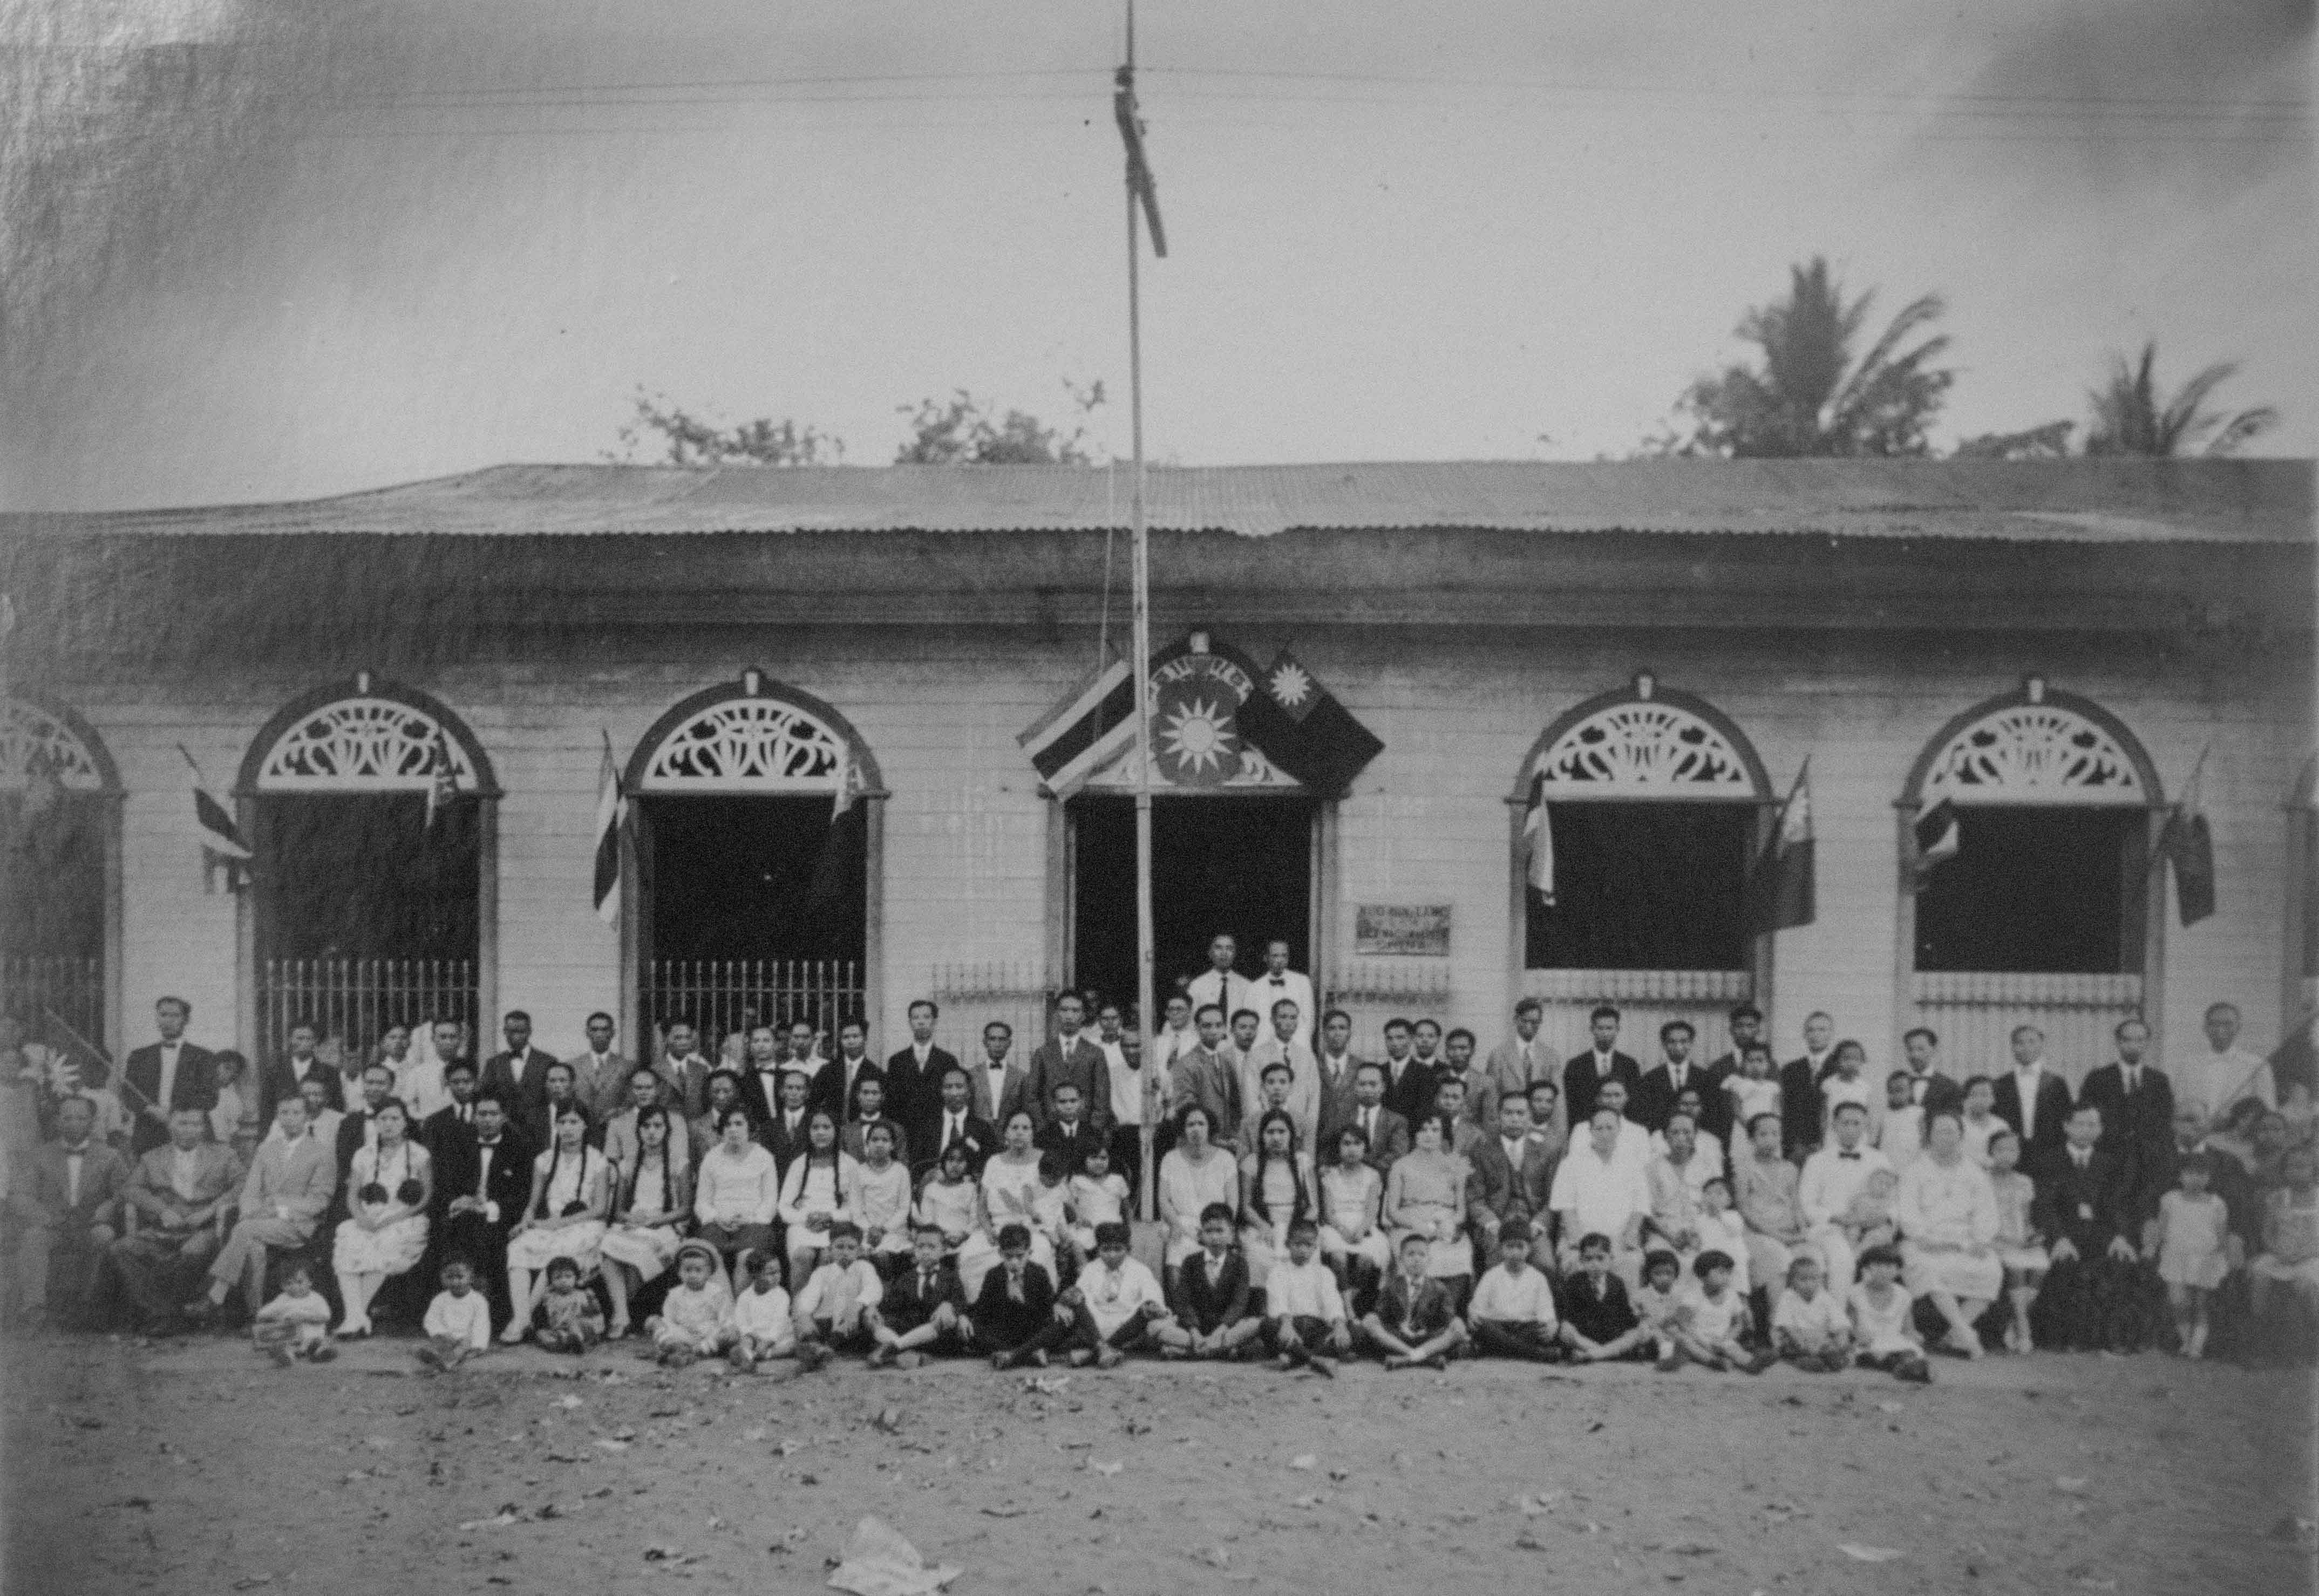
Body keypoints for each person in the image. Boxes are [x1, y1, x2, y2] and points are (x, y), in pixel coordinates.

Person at [188, 1092, 335, 1322]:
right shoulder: (266, 1150)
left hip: (297, 1224)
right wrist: (251, 1212)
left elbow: (320, 1200)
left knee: (245, 1230)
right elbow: (250, 1191)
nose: (290, 1118)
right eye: (284, 1113)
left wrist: (279, 1209)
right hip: (259, 1222)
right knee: (253, 1247)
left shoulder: (322, 1153)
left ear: (307, 1117)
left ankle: (215, 1295)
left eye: (296, 1113)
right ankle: (256, 1314)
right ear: (277, 1117)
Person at [108, 1104, 242, 1333]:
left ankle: (173, 1315)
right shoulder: (152, 1158)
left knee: (193, 1253)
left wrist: (210, 1211)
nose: (190, 1130)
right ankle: (160, 1313)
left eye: (196, 1124)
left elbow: (243, 1184)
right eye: (183, 1124)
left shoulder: (224, 1155)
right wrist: (161, 1210)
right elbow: (130, 1189)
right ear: (171, 1125)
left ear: (204, 1128)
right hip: (163, 1228)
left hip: (204, 1229)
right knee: (121, 1249)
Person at [5, 1094, 132, 1328]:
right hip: (53, 1226)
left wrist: (110, 1207)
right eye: (68, 1117)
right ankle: (34, 1310)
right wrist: (44, 1216)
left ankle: (90, 1307)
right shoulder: (39, 1155)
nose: (74, 1123)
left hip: (91, 1223)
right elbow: (20, 1195)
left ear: (93, 1121)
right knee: (33, 1238)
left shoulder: (110, 1156)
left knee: (105, 1236)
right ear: (57, 1121)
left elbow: (125, 1192)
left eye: (81, 1118)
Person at [2030, 1102, 2140, 1353]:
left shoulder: (2109, 1163)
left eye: (2093, 1125)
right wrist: (2058, 1238)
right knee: (2065, 1263)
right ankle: (2067, 1338)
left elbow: (2117, 1205)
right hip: (2062, 1231)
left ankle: (2110, 1337)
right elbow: (2044, 1206)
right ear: (2066, 1127)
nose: (2086, 1130)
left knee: (2119, 1260)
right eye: (2080, 1124)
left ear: (2101, 1130)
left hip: (2100, 1231)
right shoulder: (2049, 1160)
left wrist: (2120, 1236)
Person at [1897, 1108, 2002, 1358]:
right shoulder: (1914, 1170)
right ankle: (1967, 1336)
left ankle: (1955, 1334)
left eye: (1952, 1131)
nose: (1946, 1137)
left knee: (1991, 1269)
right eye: (1940, 1131)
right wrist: (1924, 1239)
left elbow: (1986, 1210)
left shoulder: (1974, 1171)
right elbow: (1907, 1209)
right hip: (1925, 1240)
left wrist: (1980, 1240)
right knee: (1928, 1268)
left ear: (1961, 1135)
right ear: (1930, 1136)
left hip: (1966, 1240)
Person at [502, 1102, 610, 1342]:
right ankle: (522, 1316)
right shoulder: (545, 1159)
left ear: (584, 1126)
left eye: (574, 1122)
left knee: (558, 1252)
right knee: (518, 1247)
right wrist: (526, 1219)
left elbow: (600, 1209)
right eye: (562, 1122)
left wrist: (558, 1224)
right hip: (551, 1222)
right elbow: (533, 1202)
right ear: (556, 1126)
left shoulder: (597, 1159)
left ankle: (522, 1321)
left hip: (586, 1224)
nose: (568, 1128)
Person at [330, 1097, 433, 1338]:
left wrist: (395, 1218)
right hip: (370, 1215)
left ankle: (353, 1318)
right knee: (350, 1240)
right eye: (383, 1119)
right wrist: (360, 1217)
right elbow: (353, 1195)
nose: (389, 1124)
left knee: (386, 1244)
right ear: (375, 1123)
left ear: (405, 1122)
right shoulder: (364, 1154)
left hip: (405, 1217)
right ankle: (357, 1318)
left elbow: (425, 1197)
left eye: (395, 1118)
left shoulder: (419, 1154)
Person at [432, 1092, 529, 1332]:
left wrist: (486, 1207)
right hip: (463, 1215)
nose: (487, 1119)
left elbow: (522, 1193)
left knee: (478, 1232)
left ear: (504, 1117)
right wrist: (457, 1202)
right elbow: (444, 1183)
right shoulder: (460, 1144)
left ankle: (487, 1312)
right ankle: (454, 1312)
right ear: (473, 1117)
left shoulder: (519, 1146)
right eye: (482, 1114)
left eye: (493, 1114)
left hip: (500, 1217)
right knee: (459, 1227)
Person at [599, 1104, 691, 1339]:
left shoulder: (679, 1163)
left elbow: (685, 1208)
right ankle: (622, 1315)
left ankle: (620, 1312)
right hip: (633, 1223)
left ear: (667, 1131)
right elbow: (618, 1212)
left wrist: (657, 1219)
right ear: (639, 1131)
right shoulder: (628, 1164)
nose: (652, 1132)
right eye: (646, 1126)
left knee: (641, 1252)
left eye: (658, 1126)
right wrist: (635, 1219)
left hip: (665, 1227)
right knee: (608, 1247)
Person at [2079, 1017, 2176, 1220]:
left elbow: (2165, 1123)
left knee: (2145, 1214)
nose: (2134, 1046)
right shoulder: (2098, 1079)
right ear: (2117, 1042)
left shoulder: (2159, 1081)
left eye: (2140, 1040)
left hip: (2148, 1163)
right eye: (2127, 1040)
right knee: (2109, 1213)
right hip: (2109, 1159)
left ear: (2148, 1043)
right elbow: (2086, 1120)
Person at [957, 1111, 1057, 1299]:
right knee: (970, 1253)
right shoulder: (994, 1162)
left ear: (1033, 1133)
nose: (1020, 1132)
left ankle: (1031, 1308)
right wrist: (988, 1231)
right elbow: (981, 1209)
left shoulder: (1044, 1160)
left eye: (1026, 1128)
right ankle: (979, 1310)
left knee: (1039, 1252)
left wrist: (1045, 1228)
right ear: (1006, 1133)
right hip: (998, 1229)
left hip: (1032, 1229)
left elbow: (1052, 1204)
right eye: (1014, 1127)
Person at [1549, 1107, 1651, 1284]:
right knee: (1577, 1264)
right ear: (1590, 1131)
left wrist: (1631, 1234)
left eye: (1610, 1128)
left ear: (1620, 1130)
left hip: (1620, 1238)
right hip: (1581, 1237)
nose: (1604, 1134)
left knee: (1630, 1263)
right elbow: (1565, 1205)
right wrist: (1580, 1242)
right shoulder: (1571, 1164)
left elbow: (1641, 1205)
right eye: (1599, 1128)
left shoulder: (1632, 1163)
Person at [1799, 1101, 1892, 1290]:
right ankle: (1839, 1317)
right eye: (1845, 1123)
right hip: (1831, 1228)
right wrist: (1835, 1217)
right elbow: (1806, 1204)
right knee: (1842, 1258)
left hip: (1869, 1228)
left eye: (1856, 1124)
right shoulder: (1816, 1161)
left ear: (1865, 1126)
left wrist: (1876, 1219)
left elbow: (1892, 1200)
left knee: (1876, 1264)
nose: (1850, 1129)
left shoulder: (1879, 1159)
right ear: (1834, 1126)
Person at [2148, 1151, 2233, 1359]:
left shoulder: (2216, 1204)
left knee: (2201, 1303)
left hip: (2205, 1257)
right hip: (2176, 1256)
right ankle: (2186, 1340)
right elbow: (2161, 1228)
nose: (2196, 1178)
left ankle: (2197, 1345)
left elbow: (2222, 1236)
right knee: (2179, 1302)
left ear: (2209, 1178)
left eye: (2202, 1174)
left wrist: (2218, 1259)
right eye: (2190, 1173)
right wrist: (2153, 1247)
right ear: (2180, 1176)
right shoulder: (2170, 1199)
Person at [1383, 1113, 1474, 1302]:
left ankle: (1446, 1315)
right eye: (1423, 1130)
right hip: (1410, 1225)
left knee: (1459, 1257)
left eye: (1435, 1130)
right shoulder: (1400, 1166)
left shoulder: (1456, 1165)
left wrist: (1448, 1223)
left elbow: (1461, 1212)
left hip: (1445, 1225)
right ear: (1414, 1134)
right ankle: (1413, 1315)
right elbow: (1393, 1211)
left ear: (1443, 1134)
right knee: (1414, 1257)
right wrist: (1420, 1226)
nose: (1429, 1135)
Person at [1157, 1202, 1261, 1361]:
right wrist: (1195, 1333)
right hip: (1196, 1328)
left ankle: (1191, 1352)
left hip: (1226, 1329)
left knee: (1255, 1324)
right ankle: (1218, 1350)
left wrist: (1220, 1331)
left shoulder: (1240, 1264)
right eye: (1209, 1231)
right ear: (1201, 1235)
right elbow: (1184, 1302)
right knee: (1156, 1328)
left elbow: (1239, 1303)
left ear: (1232, 1233)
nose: (1214, 1237)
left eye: (1220, 1231)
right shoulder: (1191, 1262)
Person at [1060, 1220, 1168, 1368]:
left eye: (1118, 1249)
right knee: (1076, 1298)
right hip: (1096, 1324)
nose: (1112, 1255)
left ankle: (1093, 1353)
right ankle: (1104, 1349)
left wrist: (1152, 1305)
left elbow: (1152, 1294)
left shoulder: (1140, 1270)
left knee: (1146, 1310)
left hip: (1126, 1324)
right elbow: (1082, 1295)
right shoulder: (1091, 1269)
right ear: (1098, 1250)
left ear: (1128, 1249)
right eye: (1106, 1250)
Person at [121, 997, 219, 1158]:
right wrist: (150, 1109)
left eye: (175, 1016)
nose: (168, 1021)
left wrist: (174, 1112)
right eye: (163, 1015)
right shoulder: (139, 1056)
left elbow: (210, 1098)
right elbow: (128, 1093)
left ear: (186, 1020)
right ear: (157, 1018)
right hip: (148, 1134)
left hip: (189, 1132)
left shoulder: (203, 1057)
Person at [1468, 1090, 1553, 1266]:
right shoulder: (1481, 1151)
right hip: (1497, 1222)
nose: (1515, 1119)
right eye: (1508, 1113)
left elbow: (1553, 1199)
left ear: (1530, 1116)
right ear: (1499, 1116)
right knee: (1498, 1264)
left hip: (1532, 1222)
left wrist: (1538, 1225)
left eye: (1521, 1113)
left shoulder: (1545, 1152)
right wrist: (1492, 1223)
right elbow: (1475, 1198)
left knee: (1545, 1265)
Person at [1155, 1105, 1239, 1285]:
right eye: (1190, 1124)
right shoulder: (1170, 1159)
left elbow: (1232, 1203)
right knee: (1177, 1250)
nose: (1196, 1129)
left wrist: (1215, 1227)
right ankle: (1182, 1308)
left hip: (1215, 1224)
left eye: (1201, 1124)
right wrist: (1176, 1225)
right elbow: (1163, 1200)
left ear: (1210, 1128)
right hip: (1181, 1224)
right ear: (1183, 1130)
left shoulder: (1226, 1159)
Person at [1358, 1232, 1467, 1369]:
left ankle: (1408, 1358)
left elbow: (1448, 1320)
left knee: (1458, 1325)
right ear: (1401, 1259)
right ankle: (1419, 1356)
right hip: (1399, 1339)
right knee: (1369, 1320)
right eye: (1411, 1254)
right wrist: (1399, 1327)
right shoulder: (1391, 1287)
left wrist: (1429, 1329)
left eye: (1422, 1255)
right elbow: (1381, 1317)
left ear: (1429, 1260)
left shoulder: (1439, 1288)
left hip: (1428, 1339)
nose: (1417, 1259)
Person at [866, 1224, 966, 1368]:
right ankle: (905, 1352)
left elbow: (960, 1300)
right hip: (909, 1330)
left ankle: (891, 1350)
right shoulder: (906, 1277)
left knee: (947, 1317)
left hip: (935, 1333)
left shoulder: (950, 1276)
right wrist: (874, 1308)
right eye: (920, 1247)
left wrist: (949, 1305)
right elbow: (891, 1306)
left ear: (944, 1251)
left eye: (932, 1247)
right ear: (914, 1250)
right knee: (874, 1319)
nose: (925, 1252)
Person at [972, 1223, 1069, 1370]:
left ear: (1030, 1253)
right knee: (976, 1329)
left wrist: (1057, 1305)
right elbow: (982, 1311)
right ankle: (1030, 1355)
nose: (1014, 1262)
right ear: (1000, 1253)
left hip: (1033, 1331)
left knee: (1059, 1324)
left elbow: (1048, 1304)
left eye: (1020, 1256)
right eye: (1008, 1257)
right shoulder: (994, 1275)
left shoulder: (1039, 1273)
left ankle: (1013, 1356)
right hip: (1006, 1332)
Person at [774, 1109, 854, 1284]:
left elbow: (856, 1207)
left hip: (837, 1226)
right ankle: (799, 1308)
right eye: (815, 1128)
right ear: (808, 1132)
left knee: (828, 1257)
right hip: (803, 1225)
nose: (821, 1132)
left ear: (836, 1131)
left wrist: (831, 1217)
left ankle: (825, 1309)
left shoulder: (849, 1164)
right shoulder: (798, 1164)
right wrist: (807, 1218)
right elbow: (784, 1207)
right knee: (803, 1256)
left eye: (826, 1127)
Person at [1733, 1114, 1810, 1296]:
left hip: (1789, 1232)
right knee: (1779, 1258)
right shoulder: (1744, 1169)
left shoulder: (1789, 1168)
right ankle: (1777, 1320)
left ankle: (1809, 1318)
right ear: (1751, 1139)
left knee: (1812, 1256)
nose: (1770, 1140)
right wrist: (1776, 1235)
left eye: (1775, 1134)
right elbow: (1744, 1211)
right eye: (1763, 1134)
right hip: (1758, 1233)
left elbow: (1796, 1205)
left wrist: (1803, 1230)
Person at [1264, 1216, 1351, 1374]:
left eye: (1308, 1245)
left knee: (1351, 1332)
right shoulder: (1278, 1272)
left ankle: (1296, 1357)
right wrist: (1286, 1324)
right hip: (1291, 1326)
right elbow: (1278, 1302)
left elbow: (1332, 1302)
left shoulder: (1323, 1272)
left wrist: (1339, 1325)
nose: (1303, 1250)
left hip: (1316, 1328)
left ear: (1315, 1247)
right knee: (1268, 1326)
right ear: (1287, 1245)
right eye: (1297, 1244)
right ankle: (1316, 1360)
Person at [1986, 1127, 2047, 1353]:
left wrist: (2032, 1235)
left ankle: (2014, 1319)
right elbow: (1981, 1218)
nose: (2006, 1154)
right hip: (1995, 1238)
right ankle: (2024, 1326)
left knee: (2040, 1266)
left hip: (2020, 1238)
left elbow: (2027, 1218)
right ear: (1991, 1152)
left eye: (2012, 1149)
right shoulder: (1983, 1179)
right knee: (2017, 1270)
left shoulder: (2024, 1181)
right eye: (2000, 1149)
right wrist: (2004, 1239)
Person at [1238, 1108, 1315, 1285]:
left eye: (1282, 1132)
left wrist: (1297, 1230)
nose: (1276, 1137)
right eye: (1270, 1132)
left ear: (1291, 1135)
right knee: (1259, 1252)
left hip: (1295, 1222)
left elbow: (1314, 1207)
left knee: (1302, 1249)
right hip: (1263, 1223)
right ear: (1262, 1136)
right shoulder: (1251, 1163)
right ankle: (1263, 1302)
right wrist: (1263, 1226)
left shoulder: (1303, 1162)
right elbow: (1246, 1206)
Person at [792, 1222, 884, 1368]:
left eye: (851, 1248)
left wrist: (857, 1307)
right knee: (801, 1313)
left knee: (870, 1315)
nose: (845, 1252)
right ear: (830, 1249)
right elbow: (809, 1299)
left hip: (853, 1323)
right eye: (840, 1247)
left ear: (859, 1250)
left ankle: (829, 1348)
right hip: (827, 1323)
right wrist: (805, 1315)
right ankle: (816, 1348)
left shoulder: (864, 1268)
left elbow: (873, 1288)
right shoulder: (822, 1273)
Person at [1317, 1124, 1390, 1308]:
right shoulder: (1330, 1175)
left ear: (1365, 1147)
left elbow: (1372, 1210)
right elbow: (1328, 1212)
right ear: (1338, 1147)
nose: (1352, 1149)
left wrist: (1361, 1230)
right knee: (1339, 1258)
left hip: (1364, 1224)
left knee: (1366, 1260)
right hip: (1336, 1225)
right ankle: (1348, 1309)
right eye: (1346, 1144)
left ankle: (1350, 1304)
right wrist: (1342, 1230)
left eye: (1357, 1143)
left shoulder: (1373, 1176)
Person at [1465, 1224, 1559, 1362]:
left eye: (1520, 1247)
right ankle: (1534, 1353)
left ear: (1529, 1249)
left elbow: (1545, 1312)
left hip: (1525, 1328)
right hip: (1498, 1326)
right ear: (1501, 1249)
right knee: (1483, 1327)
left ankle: (1498, 1349)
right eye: (1510, 1247)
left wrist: (1550, 1325)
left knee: (1541, 1330)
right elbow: (1478, 1310)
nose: (1515, 1252)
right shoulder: (1491, 1275)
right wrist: (1473, 1315)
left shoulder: (1538, 1278)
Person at [2249, 1144, 2319, 1324]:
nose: (2296, 1172)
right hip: (2282, 1256)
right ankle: (2260, 1324)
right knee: (2260, 1273)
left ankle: (2313, 1329)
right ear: (2284, 1171)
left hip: (2313, 1256)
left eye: (2302, 1167)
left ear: (2314, 1169)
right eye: (2291, 1167)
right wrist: (2277, 1251)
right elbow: (2268, 1233)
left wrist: (2308, 1253)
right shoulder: (2278, 1198)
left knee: (2307, 1284)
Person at [1025, 994, 1111, 1139]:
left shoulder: (1095, 1053)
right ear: (1056, 1014)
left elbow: (1102, 1098)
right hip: (1051, 1133)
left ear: (1083, 1015)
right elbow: (1031, 1096)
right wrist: (1042, 1128)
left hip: (1086, 1132)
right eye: (1064, 1010)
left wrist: (1093, 1130)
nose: (1069, 1016)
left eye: (1075, 1011)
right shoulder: (1043, 1053)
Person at [1994, 1025, 2073, 1181]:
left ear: (2041, 1045)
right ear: (2013, 1047)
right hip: (2012, 1153)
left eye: (2032, 1042)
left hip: (2048, 1152)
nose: (2026, 1048)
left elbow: (2065, 1119)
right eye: (2020, 1043)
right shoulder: (2001, 1084)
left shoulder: (2056, 1083)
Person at [1671, 1251, 1771, 1373]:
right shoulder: (1694, 1295)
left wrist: (1727, 1339)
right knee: (1683, 1340)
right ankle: (1712, 1361)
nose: (1726, 1277)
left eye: (1729, 1273)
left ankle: (1750, 1363)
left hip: (1721, 1339)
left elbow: (1738, 1324)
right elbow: (1682, 1323)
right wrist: (1704, 1341)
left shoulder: (1732, 1295)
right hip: (1699, 1339)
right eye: (1721, 1272)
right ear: (1703, 1276)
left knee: (1733, 1349)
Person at [2186, 1002, 2277, 1135]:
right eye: (2214, 1024)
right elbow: (2179, 1108)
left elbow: (2269, 1114)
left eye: (2227, 1024)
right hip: (2197, 1140)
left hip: (2238, 1143)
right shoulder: (2189, 1065)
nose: (2220, 1030)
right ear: (2205, 1028)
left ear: (2238, 1027)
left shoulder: (2258, 1066)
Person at [1557, 1232, 1650, 1361]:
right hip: (1585, 1335)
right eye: (1588, 1259)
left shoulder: (1617, 1283)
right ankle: (1604, 1353)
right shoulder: (1575, 1281)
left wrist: (1639, 1319)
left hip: (1611, 1334)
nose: (1594, 1264)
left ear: (1611, 1259)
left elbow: (1626, 1315)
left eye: (1600, 1258)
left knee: (1639, 1332)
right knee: (1565, 1330)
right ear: (1581, 1260)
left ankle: (1595, 1354)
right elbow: (1568, 1313)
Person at [1243, 998, 1321, 1151]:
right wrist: (1263, 1130)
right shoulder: (1256, 1055)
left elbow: (1313, 1101)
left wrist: (1307, 1132)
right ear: (1273, 1020)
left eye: (1293, 1018)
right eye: (1283, 1017)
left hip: (1299, 1133)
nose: (1288, 1022)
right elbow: (1250, 1099)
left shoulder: (1307, 1057)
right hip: (1268, 1132)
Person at [886, 999, 957, 1161]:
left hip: (937, 1131)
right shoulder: (897, 1061)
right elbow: (891, 1103)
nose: (921, 1022)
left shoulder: (948, 1061)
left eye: (926, 1017)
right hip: (906, 1133)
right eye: (916, 1018)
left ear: (935, 1022)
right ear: (910, 1023)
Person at [1848, 1245, 1932, 1382]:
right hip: (1869, 1342)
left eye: (1889, 1266)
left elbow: (1908, 1328)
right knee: (1875, 1354)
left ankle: (1908, 1366)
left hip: (1894, 1340)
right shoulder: (1856, 1293)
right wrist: (1858, 1336)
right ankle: (1899, 1367)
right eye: (1877, 1265)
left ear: (1898, 1271)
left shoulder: (1903, 1295)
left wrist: (1914, 1338)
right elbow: (1850, 1325)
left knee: (1910, 1352)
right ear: (1866, 1268)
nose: (1883, 1271)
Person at [648, 1239, 737, 1367]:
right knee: (655, 1322)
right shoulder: (676, 1294)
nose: (693, 1275)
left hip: (708, 1335)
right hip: (684, 1335)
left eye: (698, 1270)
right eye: (688, 1270)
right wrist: (672, 1330)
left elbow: (725, 1318)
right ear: (679, 1272)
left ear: (709, 1273)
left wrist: (727, 1330)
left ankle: (695, 1353)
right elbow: (669, 1319)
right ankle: (676, 1348)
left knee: (727, 1334)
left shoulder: (717, 1293)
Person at [478, 1011, 556, 1143]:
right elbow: (485, 1097)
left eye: (522, 1032)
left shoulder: (547, 1062)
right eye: (512, 1031)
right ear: (505, 1032)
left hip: (537, 1135)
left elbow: (554, 1100)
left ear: (530, 1032)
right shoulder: (493, 1064)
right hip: (504, 1134)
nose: (517, 1037)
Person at [850, 1120, 915, 1277]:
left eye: (885, 1141)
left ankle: (888, 1290)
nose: (879, 1144)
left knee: (882, 1256)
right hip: (867, 1232)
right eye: (874, 1140)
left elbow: (903, 1209)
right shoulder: (859, 1172)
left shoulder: (901, 1171)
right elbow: (856, 1210)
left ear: (893, 1145)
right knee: (864, 1256)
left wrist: (884, 1229)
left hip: (893, 1232)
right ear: (867, 1144)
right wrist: (870, 1229)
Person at [1479, 999, 1552, 1136]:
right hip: (1507, 1130)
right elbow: (1491, 1100)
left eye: (1535, 1022)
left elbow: (1557, 1101)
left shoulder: (1551, 1056)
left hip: (1540, 1130)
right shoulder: (1499, 1055)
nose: (1530, 1026)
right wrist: (1494, 1134)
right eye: (1525, 1021)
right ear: (1516, 1020)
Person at [602, 1064, 690, 1174]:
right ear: (630, 1090)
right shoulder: (617, 1122)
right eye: (638, 1088)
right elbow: (611, 1161)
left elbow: (680, 1159)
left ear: (658, 1089)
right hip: (629, 1182)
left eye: (649, 1088)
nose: (644, 1093)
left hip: (666, 1180)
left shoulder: (675, 1121)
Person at [1771, 1253, 1851, 1372]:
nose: (1809, 1284)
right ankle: (1807, 1361)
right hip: (1797, 1338)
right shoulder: (1788, 1297)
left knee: (1833, 1345)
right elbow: (1787, 1327)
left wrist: (1841, 1343)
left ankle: (1831, 1358)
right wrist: (1804, 1344)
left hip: (1820, 1338)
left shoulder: (1825, 1297)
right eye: (1803, 1280)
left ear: (1821, 1279)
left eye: (1814, 1279)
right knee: (1786, 1343)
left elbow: (1840, 1323)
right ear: (1793, 1281)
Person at [250, 1261, 335, 1365]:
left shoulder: (316, 1299)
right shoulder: (282, 1300)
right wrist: (280, 1319)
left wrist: (305, 1317)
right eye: (289, 1283)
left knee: (321, 1342)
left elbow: (326, 1317)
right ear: (282, 1286)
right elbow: (261, 1315)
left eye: (300, 1282)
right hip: (291, 1340)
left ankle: (322, 1353)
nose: (295, 1287)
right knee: (283, 1346)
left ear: (310, 1282)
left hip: (313, 1339)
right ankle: (287, 1358)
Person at [416, 1256, 492, 1370]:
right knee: (435, 1343)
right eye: (450, 1278)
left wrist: (479, 1345)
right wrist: (442, 1333)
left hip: (466, 1338)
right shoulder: (440, 1299)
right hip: (447, 1337)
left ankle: (447, 1363)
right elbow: (431, 1320)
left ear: (471, 1278)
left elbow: (481, 1324)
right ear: (443, 1279)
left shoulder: (478, 1301)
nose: (455, 1282)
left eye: (460, 1277)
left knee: (462, 1346)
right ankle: (436, 1356)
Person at [1779, 1011, 1836, 1161]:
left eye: (1822, 1030)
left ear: (1831, 1034)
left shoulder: (1839, 1069)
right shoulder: (1790, 1070)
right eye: (1811, 1030)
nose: (1815, 1035)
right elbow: (1785, 1110)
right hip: (1796, 1149)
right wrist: (1793, 1145)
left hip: (1829, 1145)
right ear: (1804, 1034)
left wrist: (1824, 1143)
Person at [728, 1249, 797, 1370]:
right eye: (771, 1273)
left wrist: (767, 1342)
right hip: (754, 1338)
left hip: (776, 1339)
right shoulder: (745, 1296)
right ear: (754, 1274)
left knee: (791, 1347)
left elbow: (779, 1323)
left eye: (779, 1272)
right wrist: (751, 1336)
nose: (777, 1276)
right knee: (744, 1342)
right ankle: (747, 1357)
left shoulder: (781, 1295)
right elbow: (742, 1321)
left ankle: (761, 1356)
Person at [1635, 1020, 1706, 1137]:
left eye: (1684, 1042)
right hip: (1660, 1140)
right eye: (1672, 1042)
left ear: (1691, 1043)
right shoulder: (1649, 1080)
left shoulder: (1706, 1079)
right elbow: (1644, 1117)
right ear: (1663, 1044)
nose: (1678, 1046)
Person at [915, 1140, 981, 1265]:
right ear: (943, 1162)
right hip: (937, 1238)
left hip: (964, 1239)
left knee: (968, 1257)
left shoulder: (971, 1188)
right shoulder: (932, 1188)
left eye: (960, 1161)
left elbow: (975, 1219)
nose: (955, 1165)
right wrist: (943, 1236)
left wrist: (963, 1235)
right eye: (951, 1160)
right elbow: (927, 1219)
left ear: (968, 1164)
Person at [1066, 1142, 1130, 1264]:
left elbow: (1126, 1209)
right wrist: (1078, 1218)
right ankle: (1085, 1273)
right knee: (1076, 1244)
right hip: (1087, 1226)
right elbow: (1071, 1206)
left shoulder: (1117, 1180)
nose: (1099, 1162)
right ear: (1084, 1159)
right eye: (1094, 1158)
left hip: (1112, 1227)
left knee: (1107, 1247)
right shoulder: (1077, 1180)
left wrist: (1128, 1230)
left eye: (1103, 1158)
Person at [1720, 1044, 1781, 1168]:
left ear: (1768, 1064)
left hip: (1768, 1129)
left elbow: (1776, 1110)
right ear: (1743, 1064)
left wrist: (1769, 1127)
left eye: (1760, 1061)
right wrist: (1752, 1128)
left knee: (1768, 1162)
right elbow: (1737, 1110)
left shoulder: (1773, 1087)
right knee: (1743, 1163)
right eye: (1750, 1061)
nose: (1755, 1065)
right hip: (1745, 1129)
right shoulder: (1738, 1084)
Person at [1185, 934, 1254, 1038]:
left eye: (1229, 949)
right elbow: (1191, 1023)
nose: (1224, 953)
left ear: (1235, 954)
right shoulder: (1197, 985)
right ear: (1210, 953)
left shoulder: (1247, 986)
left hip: (1236, 1046)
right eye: (1219, 948)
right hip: (1206, 1044)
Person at [533, 1256, 606, 1353]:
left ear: (576, 1278)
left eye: (568, 1276)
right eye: (558, 1277)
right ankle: (558, 1344)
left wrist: (591, 1326)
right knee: (541, 1333)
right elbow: (541, 1320)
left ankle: (576, 1342)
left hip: (582, 1328)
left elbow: (595, 1315)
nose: (563, 1281)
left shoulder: (584, 1295)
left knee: (574, 1324)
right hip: (558, 1331)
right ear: (551, 1281)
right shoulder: (548, 1298)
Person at [1629, 1250, 1689, 1367]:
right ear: (1649, 1275)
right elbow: (1638, 1317)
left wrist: (1676, 1325)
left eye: (1669, 1273)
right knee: (1651, 1331)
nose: (1664, 1278)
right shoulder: (1640, 1296)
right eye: (1658, 1274)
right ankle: (1666, 1358)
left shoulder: (1678, 1298)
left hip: (1671, 1335)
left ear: (1676, 1275)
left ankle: (1710, 1359)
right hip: (1649, 1337)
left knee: (1684, 1336)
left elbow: (1680, 1320)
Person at [420, 1059, 482, 1168]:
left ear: (476, 1083)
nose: (461, 1087)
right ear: (448, 1083)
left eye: (467, 1081)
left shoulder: (487, 1117)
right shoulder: (434, 1123)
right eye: (456, 1082)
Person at [1896, 1027, 1964, 1118]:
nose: (1915, 1055)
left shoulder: (1950, 1086)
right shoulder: (1899, 1084)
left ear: (1934, 1050)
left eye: (1920, 1049)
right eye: (1910, 1049)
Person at [1818, 1041, 1876, 1144]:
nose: (1851, 1063)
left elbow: (1868, 1116)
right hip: (1834, 1138)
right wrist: (1822, 1138)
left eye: (1856, 1059)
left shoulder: (1865, 1087)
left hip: (1859, 1139)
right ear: (1837, 1061)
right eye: (1846, 1059)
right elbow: (1823, 1115)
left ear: (1862, 1061)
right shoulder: (1829, 1085)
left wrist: (1871, 1140)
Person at [208, 1049, 260, 1161]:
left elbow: (233, 1134)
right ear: (216, 1066)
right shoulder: (199, 1093)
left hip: (220, 1151)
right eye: (227, 1068)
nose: (231, 1074)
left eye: (235, 1072)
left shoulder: (232, 1099)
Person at [1876, 1071, 1925, 1170]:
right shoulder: (1885, 1115)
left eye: (1900, 1090)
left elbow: (1925, 1144)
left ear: (1911, 1091)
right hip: (1887, 1167)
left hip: (1911, 1167)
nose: (1895, 1094)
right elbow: (1879, 1143)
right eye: (1891, 1091)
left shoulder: (1919, 1113)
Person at [1958, 1075, 2003, 1168]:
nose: (1979, 1100)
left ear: (1994, 1099)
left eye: (1984, 1095)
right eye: (1973, 1095)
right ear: (1965, 1098)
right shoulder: (1957, 1125)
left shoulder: (2001, 1126)